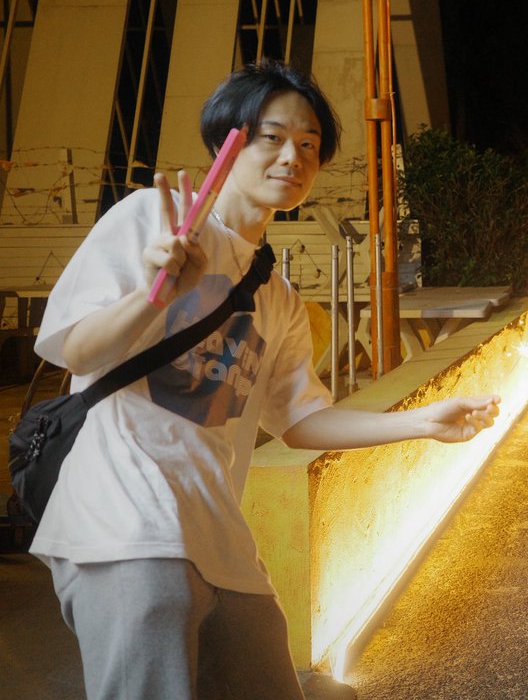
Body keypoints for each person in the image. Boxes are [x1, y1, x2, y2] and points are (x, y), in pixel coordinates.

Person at [30, 60, 501, 700]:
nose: (292, 156)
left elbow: (301, 420)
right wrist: (152, 293)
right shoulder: (151, 221)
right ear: (228, 140)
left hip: (220, 538)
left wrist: (421, 423)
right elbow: (71, 348)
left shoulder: (276, 296)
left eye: (309, 145)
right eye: (271, 137)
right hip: (125, 525)